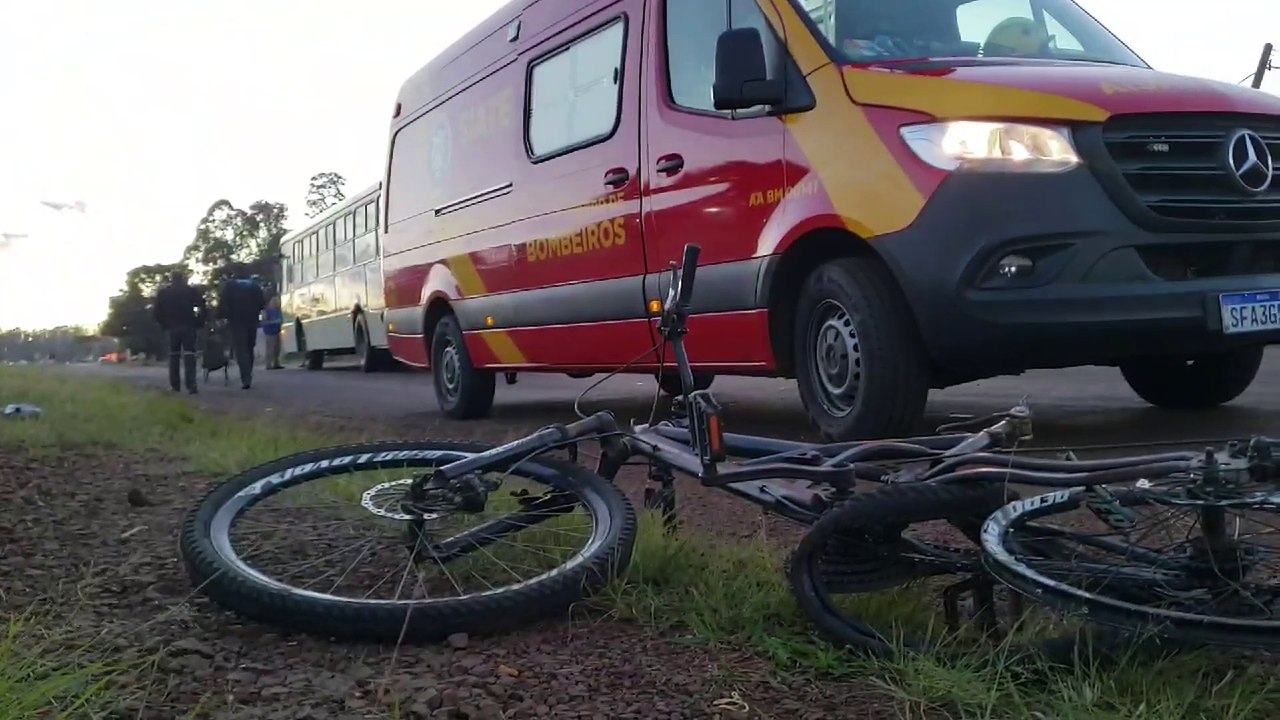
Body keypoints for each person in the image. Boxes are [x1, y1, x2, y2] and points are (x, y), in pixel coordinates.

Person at [152, 269, 207, 394]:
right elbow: (202, 306)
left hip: (172, 327)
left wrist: (163, 324)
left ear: (171, 278)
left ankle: (175, 385)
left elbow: (157, 312)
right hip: (189, 325)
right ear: (183, 278)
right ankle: (191, 385)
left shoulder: (164, 293)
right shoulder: (191, 291)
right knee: (189, 355)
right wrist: (199, 321)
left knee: (174, 356)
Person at [217, 265, 267, 389]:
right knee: (250, 347)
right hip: (252, 320)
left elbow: (223, 303)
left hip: (236, 321)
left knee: (241, 349)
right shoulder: (253, 286)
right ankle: (248, 372)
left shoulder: (230, 286)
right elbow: (262, 302)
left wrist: (221, 316)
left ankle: (245, 377)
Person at [261, 295, 284, 370]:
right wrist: (274, 322)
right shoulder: (266, 311)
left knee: (277, 348)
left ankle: (276, 363)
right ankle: (268, 364)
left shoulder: (278, 310)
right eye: (275, 302)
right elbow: (264, 321)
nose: (277, 303)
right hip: (270, 332)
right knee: (270, 348)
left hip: (277, 331)